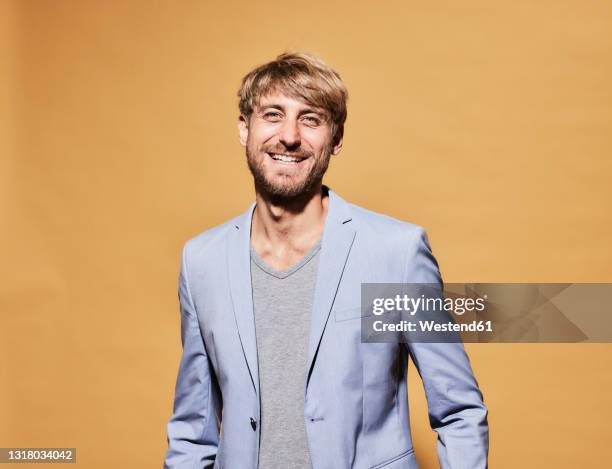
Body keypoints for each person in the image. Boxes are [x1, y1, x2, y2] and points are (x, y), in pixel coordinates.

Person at [164, 52, 488, 469]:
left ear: (336, 138)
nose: (290, 136)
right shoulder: (201, 262)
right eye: (273, 115)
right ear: (244, 129)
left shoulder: (396, 253)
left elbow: (459, 409)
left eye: (311, 119)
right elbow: (193, 430)